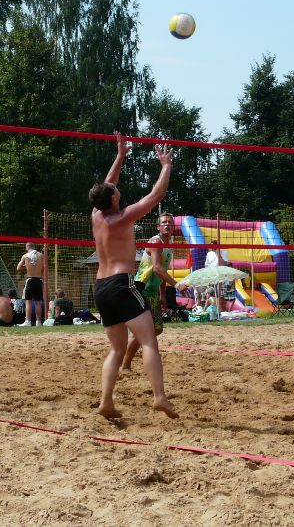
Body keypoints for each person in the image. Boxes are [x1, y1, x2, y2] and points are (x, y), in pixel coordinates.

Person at [89, 131, 177, 419]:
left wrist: (120, 156)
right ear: (113, 199)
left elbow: (107, 185)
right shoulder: (123, 216)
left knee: (116, 349)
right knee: (149, 340)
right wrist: (165, 165)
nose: (116, 189)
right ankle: (159, 397)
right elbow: (157, 195)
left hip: (101, 287)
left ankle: (106, 402)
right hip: (121, 284)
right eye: (114, 191)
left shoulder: (97, 215)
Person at [122, 212, 182, 373]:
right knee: (144, 331)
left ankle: (137, 351)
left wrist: (163, 295)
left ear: (173, 227)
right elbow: (156, 268)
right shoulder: (156, 241)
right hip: (141, 289)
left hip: (153, 291)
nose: (167, 224)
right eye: (164, 222)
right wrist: (176, 285)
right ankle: (125, 365)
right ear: (158, 227)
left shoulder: (169, 246)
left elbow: (162, 271)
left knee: (157, 329)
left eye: (170, 222)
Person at [16, 243, 45, 326]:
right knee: (38, 302)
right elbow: (43, 268)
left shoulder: (25, 256)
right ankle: (39, 322)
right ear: (34, 247)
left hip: (30, 279)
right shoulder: (41, 255)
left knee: (28, 301)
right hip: (39, 280)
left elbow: (18, 268)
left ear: (27, 248)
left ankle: (28, 321)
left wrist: (26, 266)